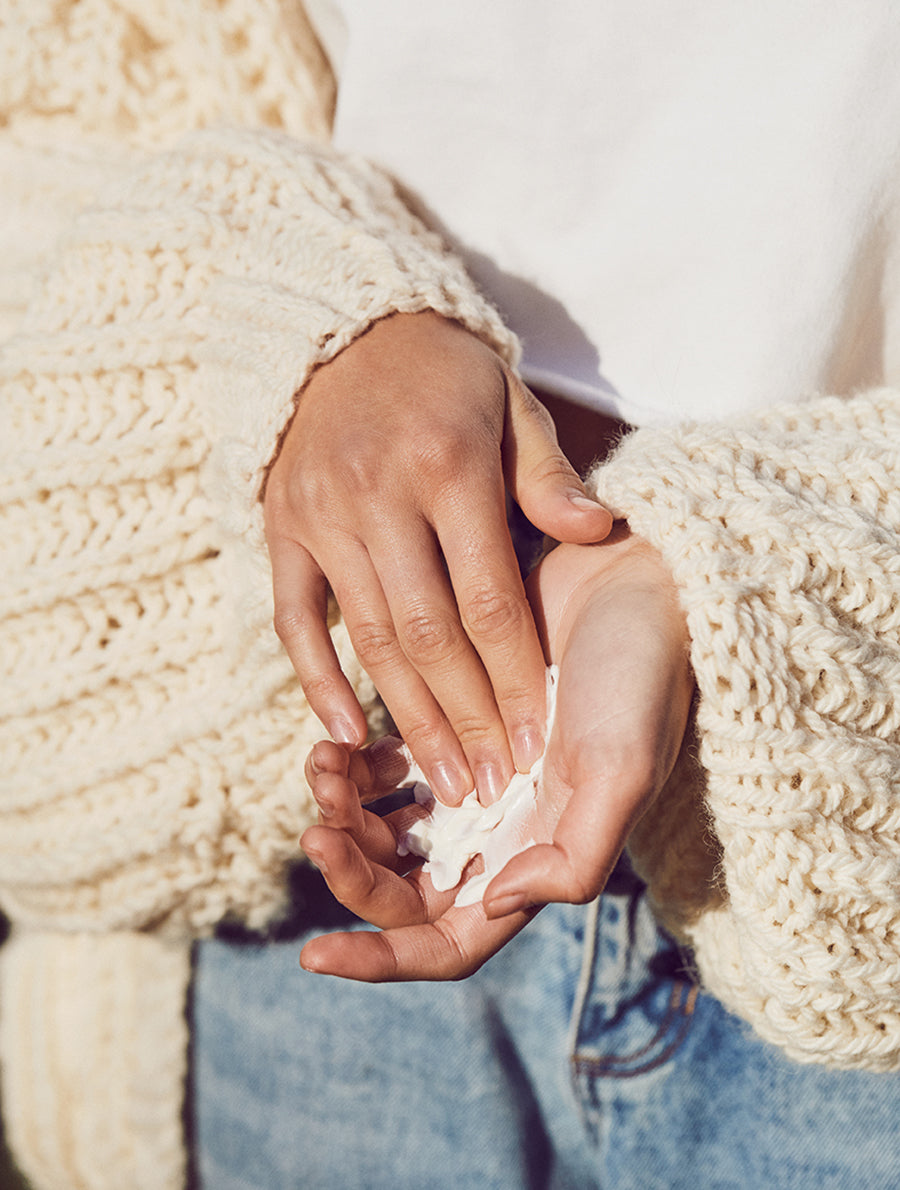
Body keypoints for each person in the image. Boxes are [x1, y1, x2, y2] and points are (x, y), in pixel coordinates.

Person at [2, 4, 900, 1190]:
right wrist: (313, 330)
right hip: (319, 829)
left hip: (836, 865)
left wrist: (730, 555)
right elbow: (48, 124)